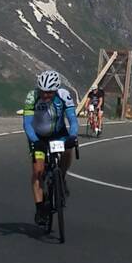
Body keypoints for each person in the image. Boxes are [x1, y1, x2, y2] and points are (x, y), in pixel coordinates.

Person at [22, 70, 79, 224]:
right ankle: (40, 209)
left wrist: (72, 136)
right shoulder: (32, 96)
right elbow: (27, 124)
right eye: (42, 91)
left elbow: (73, 120)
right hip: (38, 136)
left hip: (58, 134)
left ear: (56, 90)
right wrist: (35, 140)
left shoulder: (63, 95)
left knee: (68, 150)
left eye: (49, 92)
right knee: (38, 171)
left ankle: (62, 177)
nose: (45, 95)